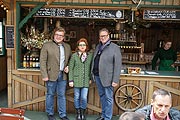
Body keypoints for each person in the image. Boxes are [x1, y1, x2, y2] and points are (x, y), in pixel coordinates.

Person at [40, 27, 72, 120]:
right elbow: (42, 61)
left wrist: (68, 66)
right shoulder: (47, 45)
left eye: (61, 35)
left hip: (63, 75)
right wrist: (44, 75)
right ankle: (50, 113)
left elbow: (70, 60)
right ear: (54, 35)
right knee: (50, 94)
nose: (59, 37)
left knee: (61, 95)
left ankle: (63, 114)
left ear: (63, 37)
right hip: (50, 75)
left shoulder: (67, 47)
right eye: (57, 35)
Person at [91, 28, 122, 120]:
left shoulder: (115, 47)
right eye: (101, 36)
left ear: (108, 36)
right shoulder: (98, 46)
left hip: (108, 78)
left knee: (108, 98)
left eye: (104, 36)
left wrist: (115, 79)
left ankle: (107, 117)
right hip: (97, 76)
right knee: (102, 97)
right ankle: (103, 115)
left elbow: (118, 65)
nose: (103, 37)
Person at [68, 38, 93, 120]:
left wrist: (90, 78)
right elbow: (70, 69)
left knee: (84, 97)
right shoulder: (74, 56)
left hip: (85, 80)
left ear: (86, 46)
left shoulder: (89, 56)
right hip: (76, 80)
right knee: (77, 97)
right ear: (78, 46)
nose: (82, 46)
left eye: (84, 45)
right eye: (80, 45)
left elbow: (91, 68)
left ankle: (83, 113)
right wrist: (70, 80)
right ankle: (78, 113)